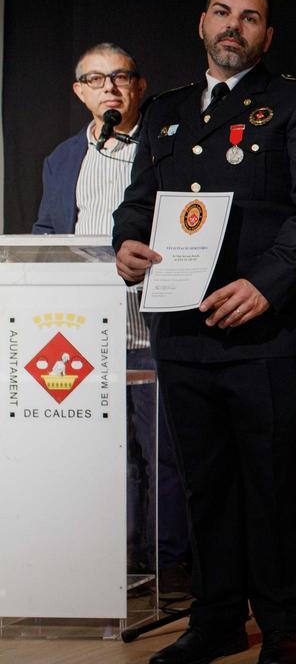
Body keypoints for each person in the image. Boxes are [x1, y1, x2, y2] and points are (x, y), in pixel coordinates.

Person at [113, 0, 296, 664]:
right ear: (202, 23)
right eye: (222, 12)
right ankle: (215, 621)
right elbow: (139, 198)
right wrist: (126, 241)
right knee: (205, 484)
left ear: (266, 36)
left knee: (273, 484)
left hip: (267, 333)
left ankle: (282, 628)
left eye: (249, 18)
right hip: (182, 331)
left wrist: (266, 285)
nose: (233, 26)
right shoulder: (166, 111)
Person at [33, 42, 190, 590]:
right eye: (95, 80)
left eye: (120, 77)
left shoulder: (165, 147)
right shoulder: (61, 158)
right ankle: (121, 559)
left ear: (139, 87)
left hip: (153, 323)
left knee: (163, 452)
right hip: (86, 334)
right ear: (79, 92)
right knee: (109, 455)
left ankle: (168, 560)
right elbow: (47, 234)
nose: (109, 88)